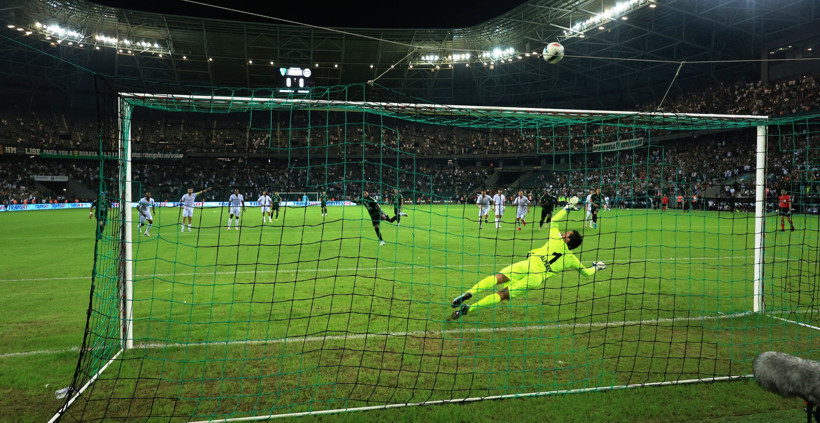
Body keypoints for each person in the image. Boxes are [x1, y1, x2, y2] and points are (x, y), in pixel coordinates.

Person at [449, 196, 606, 320]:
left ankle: (470, 292)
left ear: (567, 240)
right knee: (503, 294)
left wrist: (567, 208)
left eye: (567, 234)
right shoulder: (571, 259)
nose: (564, 233)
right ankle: (470, 308)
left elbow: (555, 221)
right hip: (536, 278)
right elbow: (586, 272)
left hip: (528, 265)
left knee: (499, 277)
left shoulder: (556, 239)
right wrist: (596, 267)